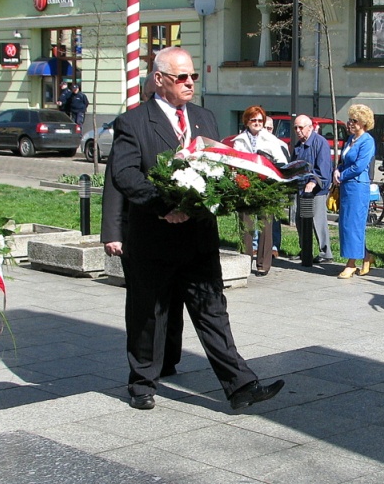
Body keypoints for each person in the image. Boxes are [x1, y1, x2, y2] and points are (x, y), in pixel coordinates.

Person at [110, 46, 283, 411]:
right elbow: (124, 175)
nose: (190, 83)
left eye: (193, 77)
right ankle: (142, 382)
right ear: (159, 80)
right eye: (181, 77)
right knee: (149, 314)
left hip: (198, 237)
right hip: (154, 237)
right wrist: (162, 205)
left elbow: (219, 169)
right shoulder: (134, 123)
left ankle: (241, 385)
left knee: (212, 309)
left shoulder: (205, 118)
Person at [100, 77, 184, 380]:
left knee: (173, 303)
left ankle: (169, 358)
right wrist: (112, 232)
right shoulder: (132, 127)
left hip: (176, 229)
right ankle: (146, 363)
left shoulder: (180, 126)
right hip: (138, 229)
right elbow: (115, 184)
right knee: (144, 305)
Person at [232, 106, 288, 276]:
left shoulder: (271, 140)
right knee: (246, 225)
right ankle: (245, 261)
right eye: (253, 120)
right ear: (247, 122)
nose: (257, 124)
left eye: (259, 121)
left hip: (266, 186)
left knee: (265, 223)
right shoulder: (239, 140)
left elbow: (281, 162)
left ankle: (263, 264)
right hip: (245, 186)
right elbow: (234, 162)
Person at [332, 105, 376, 279]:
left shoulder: (367, 141)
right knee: (346, 224)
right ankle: (366, 256)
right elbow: (345, 160)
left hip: (358, 186)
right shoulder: (351, 139)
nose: (350, 123)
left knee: (354, 224)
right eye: (350, 120)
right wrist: (338, 169)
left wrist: (342, 175)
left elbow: (359, 166)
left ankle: (351, 263)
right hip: (346, 185)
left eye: (354, 121)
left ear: (363, 123)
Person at [292, 115, 334, 264]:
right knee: (300, 219)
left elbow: (323, 169)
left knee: (317, 221)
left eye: (300, 127)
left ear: (310, 127)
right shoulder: (299, 144)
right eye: (295, 127)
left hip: (315, 190)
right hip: (301, 188)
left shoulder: (320, 143)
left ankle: (326, 253)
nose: (297, 130)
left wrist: (313, 182)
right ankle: (305, 250)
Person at [263, 116, 283, 255]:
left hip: (275, 186)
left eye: (269, 128)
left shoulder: (278, 144)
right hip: (259, 185)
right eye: (264, 127)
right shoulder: (255, 142)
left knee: (275, 217)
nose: (266, 130)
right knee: (258, 216)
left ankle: (274, 246)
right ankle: (255, 246)